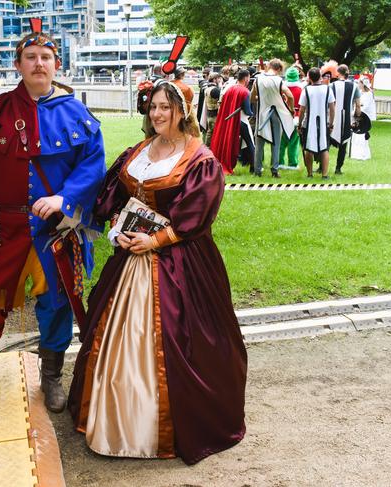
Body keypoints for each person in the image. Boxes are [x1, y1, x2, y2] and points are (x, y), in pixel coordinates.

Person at [68, 80, 247, 465]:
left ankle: (160, 427)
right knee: (109, 336)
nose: (158, 114)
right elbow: (111, 198)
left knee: (183, 341)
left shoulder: (200, 159)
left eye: (166, 107)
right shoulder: (138, 152)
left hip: (180, 263)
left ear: (183, 111)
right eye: (153, 107)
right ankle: (111, 419)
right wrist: (118, 224)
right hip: (129, 259)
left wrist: (154, 240)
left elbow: (195, 216)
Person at [0, 30, 106, 427]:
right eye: (30, 56)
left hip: (55, 231)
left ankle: (51, 379)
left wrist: (65, 199)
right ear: (18, 65)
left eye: (46, 56)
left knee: (57, 303)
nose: (38, 63)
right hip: (2, 230)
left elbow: (93, 166)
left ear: (56, 64)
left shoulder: (76, 114)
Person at [250, 58, 295, 178]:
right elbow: (289, 96)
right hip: (276, 113)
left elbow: (252, 97)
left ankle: (257, 170)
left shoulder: (258, 79)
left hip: (262, 113)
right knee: (276, 143)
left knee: (259, 143)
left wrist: (261, 99)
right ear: (279, 68)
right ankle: (274, 170)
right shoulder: (278, 80)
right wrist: (290, 109)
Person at [210, 69, 254, 174]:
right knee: (250, 143)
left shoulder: (229, 89)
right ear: (246, 78)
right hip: (242, 120)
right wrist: (254, 114)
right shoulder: (245, 91)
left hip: (230, 121)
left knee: (229, 143)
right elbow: (247, 111)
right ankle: (254, 168)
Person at [298, 67, 336, 179]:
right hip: (323, 123)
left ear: (309, 77)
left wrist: (299, 124)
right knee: (324, 148)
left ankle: (310, 174)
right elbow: (332, 108)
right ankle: (324, 174)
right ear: (320, 76)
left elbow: (302, 109)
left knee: (308, 148)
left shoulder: (306, 90)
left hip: (308, 124)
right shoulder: (328, 89)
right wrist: (331, 124)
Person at [330, 64, 361, 174]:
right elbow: (358, 105)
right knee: (343, 144)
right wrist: (357, 119)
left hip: (333, 118)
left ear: (338, 73)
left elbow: (329, 103)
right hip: (347, 118)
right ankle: (338, 168)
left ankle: (321, 167)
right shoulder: (354, 86)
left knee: (327, 142)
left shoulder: (332, 85)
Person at [278, 66, 305, 169]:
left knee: (281, 142)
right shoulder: (301, 88)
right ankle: (293, 163)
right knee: (293, 142)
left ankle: (279, 162)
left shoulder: (282, 87)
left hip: (283, 116)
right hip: (296, 117)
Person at [350, 77, 375, 160]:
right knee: (356, 134)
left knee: (361, 135)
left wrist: (358, 110)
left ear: (363, 84)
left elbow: (365, 106)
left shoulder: (369, 94)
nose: (358, 84)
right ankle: (355, 153)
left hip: (364, 117)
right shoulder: (360, 93)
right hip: (357, 115)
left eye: (359, 83)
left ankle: (362, 154)